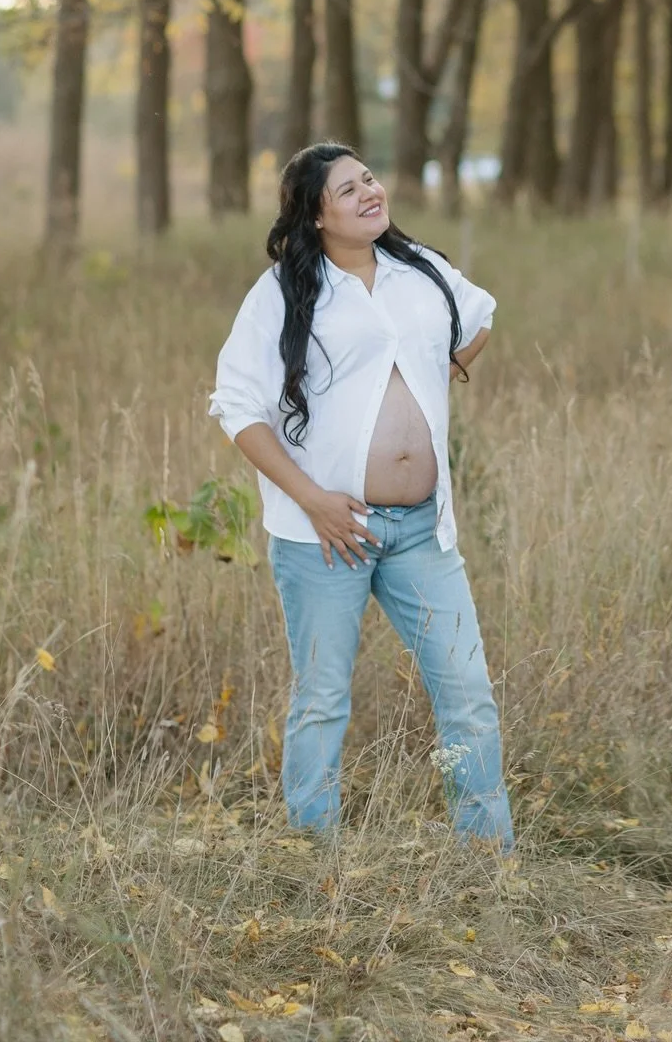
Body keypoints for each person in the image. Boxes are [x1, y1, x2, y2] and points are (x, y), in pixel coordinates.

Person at [209, 142, 512, 843]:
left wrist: (434, 376)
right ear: (316, 216)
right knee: (322, 700)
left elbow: (482, 315)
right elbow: (237, 407)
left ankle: (487, 858)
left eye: (370, 179)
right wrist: (313, 498)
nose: (370, 193)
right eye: (348, 191)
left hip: (420, 530)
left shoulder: (420, 270)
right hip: (326, 533)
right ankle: (316, 858)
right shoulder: (283, 293)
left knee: (467, 694)